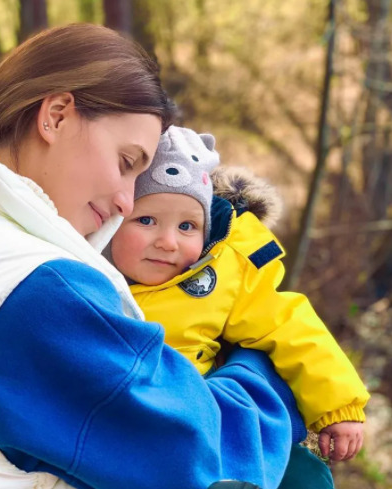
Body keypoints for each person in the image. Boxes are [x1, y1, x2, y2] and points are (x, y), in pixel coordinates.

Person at [0, 24, 305, 489]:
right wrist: (262, 364)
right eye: (125, 162)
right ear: (55, 115)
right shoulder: (36, 290)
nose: (126, 202)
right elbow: (201, 458)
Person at [109, 126, 371, 480]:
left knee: (304, 477)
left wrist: (339, 407)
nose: (168, 242)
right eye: (146, 220)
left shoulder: (225, 273)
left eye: (187, 226)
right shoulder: (81, 265)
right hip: (118, 423)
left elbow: (288, 325)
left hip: (194, 416)